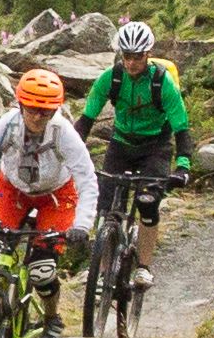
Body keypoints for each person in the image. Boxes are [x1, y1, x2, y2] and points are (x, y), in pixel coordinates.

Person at [0, 67, 100, 275]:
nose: (37, 117)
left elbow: (86, 179)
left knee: (42, 272)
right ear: (21, 104)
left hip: (56, 197)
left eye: (46, 111)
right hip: (12, 191)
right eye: (31, 109)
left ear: (55, 110)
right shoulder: (6, 126)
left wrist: (82, 225)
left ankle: (51, 308)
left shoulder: (65, 134)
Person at [82, 21, 195, 222]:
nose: (132, 63)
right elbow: (86, 120)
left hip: (155, 147)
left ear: (147, 54)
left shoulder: (162, 82)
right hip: (121, 144)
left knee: (147, 205)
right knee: (105, 206)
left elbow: (181, 127)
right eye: (127, 56)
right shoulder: (111, 78)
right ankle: (104, 244)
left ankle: (144, 254)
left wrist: (183, 166)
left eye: (138, 57)